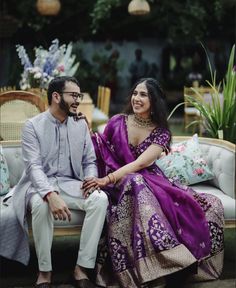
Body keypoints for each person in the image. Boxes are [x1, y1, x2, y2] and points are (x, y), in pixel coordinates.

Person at [82, 78, 224, 288]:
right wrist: (85, 134)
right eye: (135, 93)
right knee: (133, 181)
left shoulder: (161, 132)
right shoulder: (117, 122)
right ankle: (151, 268)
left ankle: (168, 263)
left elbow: (142, 163)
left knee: (210, 204)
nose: (136, 99)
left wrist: (107, 179)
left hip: (149, 182)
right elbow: (101, 149)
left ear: (154, 100)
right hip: (116, 184)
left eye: (143, 95)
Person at [0, 76, 108, 288]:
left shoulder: (80, 124)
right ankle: (45, 272)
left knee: (100, 198)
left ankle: (81, 269)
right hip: (37, 186)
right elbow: (33, 167)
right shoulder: (33, 126)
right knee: (41, 204)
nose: (77, 100)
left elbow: (89, 160)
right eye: (73, 95)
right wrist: (49, 194)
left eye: (79, 95)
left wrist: (90, 178)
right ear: (56, 96)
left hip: (70, 184)